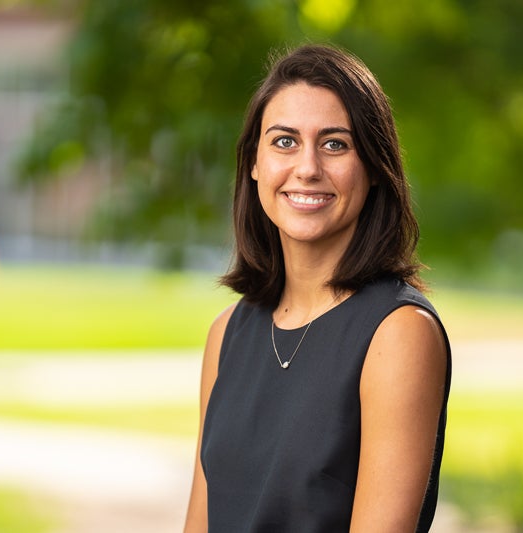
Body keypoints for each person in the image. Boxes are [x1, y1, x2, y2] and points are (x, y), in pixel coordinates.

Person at [183, 44, 452, 532]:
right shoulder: (226, 335)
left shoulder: (398, 335)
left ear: (372, 168)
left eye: (334, 144)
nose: (307, 168)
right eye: (284, 141)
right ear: (254, 164)